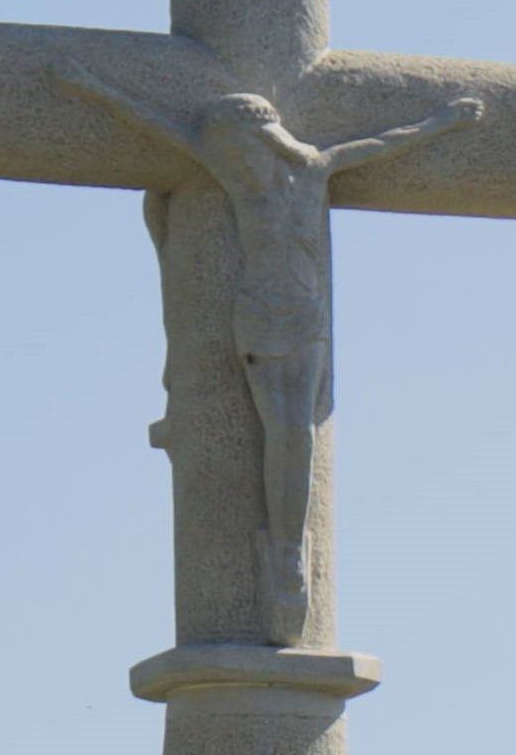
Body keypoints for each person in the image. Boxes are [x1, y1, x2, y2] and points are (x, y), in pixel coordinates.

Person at [54, 61, 485, 642]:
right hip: (257, 319)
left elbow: (388, 142)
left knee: (294, 430)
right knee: (277, 425)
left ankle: (288, 550)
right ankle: (282, 554)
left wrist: (446, 120)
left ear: (260, 138)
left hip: (303, 319)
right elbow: (154, 126)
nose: (231, 158)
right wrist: (91, 85)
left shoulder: (313, 168)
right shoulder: (240, 180)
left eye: (237, 145)